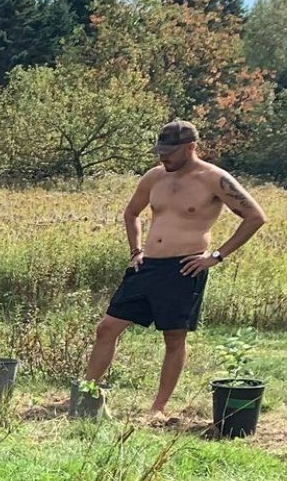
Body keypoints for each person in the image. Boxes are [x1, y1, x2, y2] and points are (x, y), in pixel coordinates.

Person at [85, 120, 266, 419]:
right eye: (160, 151)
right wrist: (136, 250)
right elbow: (132, 213)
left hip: (185, 268)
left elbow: (255, 217)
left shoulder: (214, 179)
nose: (162, 158)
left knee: (173, 337)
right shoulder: (154, 177)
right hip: (147, 265)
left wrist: (217, 256)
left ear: (191, 147)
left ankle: (158, 407)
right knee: (106, 328)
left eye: (169, 152)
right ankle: (87, 395)